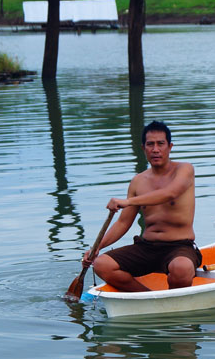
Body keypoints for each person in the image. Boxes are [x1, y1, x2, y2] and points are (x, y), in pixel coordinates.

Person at [82, 120, 201, 291]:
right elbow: (123, 222)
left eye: (161, 144)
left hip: (179, 247)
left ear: (170, 146)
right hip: (146, 247)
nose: (155, 149)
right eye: (150, 144)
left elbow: (170, 193)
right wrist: (96, 248)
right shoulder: (138, 181)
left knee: (181, 268)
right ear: (143, 148)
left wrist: (128, 201)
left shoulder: (184, 170)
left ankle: (175, 301)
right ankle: (145, 296)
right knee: (101, 264)